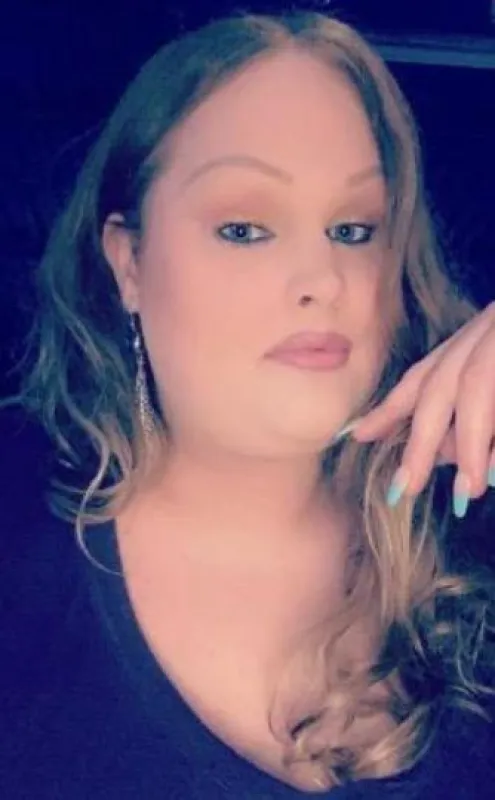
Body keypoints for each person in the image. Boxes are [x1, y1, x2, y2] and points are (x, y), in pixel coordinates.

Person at [1, 9, 494, 798]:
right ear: (128, 263)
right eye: (243, 228)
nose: (321, 279)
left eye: (353, 229)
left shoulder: (471, 525)